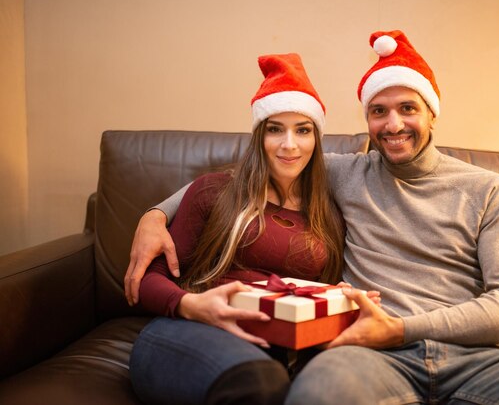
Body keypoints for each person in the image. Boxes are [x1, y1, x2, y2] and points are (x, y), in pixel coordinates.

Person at [126, 31, 499, 404]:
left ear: (431, 113)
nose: (393, 125)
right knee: (314, 397)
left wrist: (400, 328)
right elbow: (241, 178)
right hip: (364, 357)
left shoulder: (489, 190)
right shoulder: (343, 172)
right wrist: (154, 215)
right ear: (366, 121)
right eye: (378, 112)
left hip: (476, 360)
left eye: (407, 108)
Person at [128, 52, 379, 405]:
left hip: (275, 348)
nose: (289, 145)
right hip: (187, 331)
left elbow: (317, 292)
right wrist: (190, 305)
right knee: (259, 384)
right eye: (275, 129)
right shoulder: (215, 192)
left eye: (302, 130)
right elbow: (146, 282)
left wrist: (339, 302)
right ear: (259, 136)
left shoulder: (328, 215)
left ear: (315, 140)